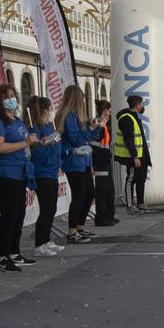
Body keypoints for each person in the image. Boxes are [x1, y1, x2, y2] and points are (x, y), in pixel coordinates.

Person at [0, 83, 32, 270]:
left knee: (19, 214)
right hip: (7, 172)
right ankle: (3, 256)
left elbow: (24, 143)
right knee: (9, 215)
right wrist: (24, 143)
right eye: (6, 97)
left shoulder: (18, 121)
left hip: (20, 171)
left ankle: (14, 251)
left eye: (13, 95)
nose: (11, 99)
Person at [57, 85, 95, 244]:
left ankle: (79, 225)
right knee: (79, 194)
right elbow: (76, 139)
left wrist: (92, 128)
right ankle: (72, 230)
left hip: (83, 160)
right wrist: (90, 129)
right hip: (74, 161)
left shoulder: (76, 117)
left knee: (89, 193)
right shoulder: (69, 117)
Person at [26, 94, 63, 257]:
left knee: (51, 208)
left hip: (52, 171)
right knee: (47, 208)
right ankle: (39, 243)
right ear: (43, 111)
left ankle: (46, 239)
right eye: (48, 110)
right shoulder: (34, 129)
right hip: (42, 172)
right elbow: (36, 153)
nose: (50, 113)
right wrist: (49, 146)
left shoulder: (48, 127)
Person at [114, 93, 150, 211]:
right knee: (131, 179)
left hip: (141, 154)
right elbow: (129, 139)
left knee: (141, 178)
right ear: (137, 105)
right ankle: (130, 205)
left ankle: (141, 202)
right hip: (133, 156)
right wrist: (135, 157)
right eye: (141, 104)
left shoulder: (134, 116)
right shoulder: (126, 118)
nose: (142, 107)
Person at [91, 96, 119, 226]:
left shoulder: (107, 123)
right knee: (102, 190)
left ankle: (109, 215)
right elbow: (94, 141)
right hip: (100, 160)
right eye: (110, 109)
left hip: (106, 159)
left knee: (109, 189)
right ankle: (101, 217)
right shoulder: (97, 122)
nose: (111, 111)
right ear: (105, 110)